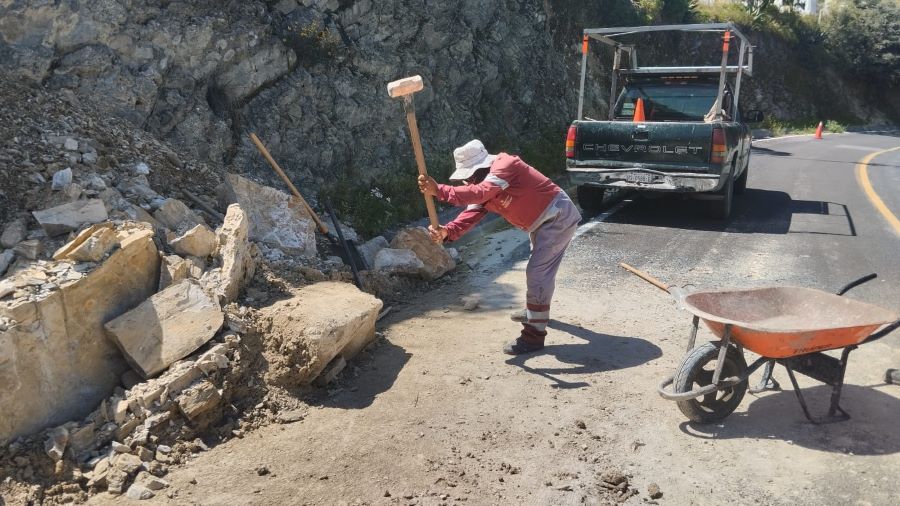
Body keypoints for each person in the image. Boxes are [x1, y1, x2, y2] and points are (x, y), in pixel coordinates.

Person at [417, 139, 581, 355]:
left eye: (471, 176)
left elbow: (481, 192)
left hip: (557, 217)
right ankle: (535, 312)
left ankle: (533, 336)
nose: (469, 181)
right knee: (540, 273)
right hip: (540, 224)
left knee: (538, 273)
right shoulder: (483, 185)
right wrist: (447, 231)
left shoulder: (506, 165)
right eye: (468, 178)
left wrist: (439, 190)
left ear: (484, 167)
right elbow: (471, 213)